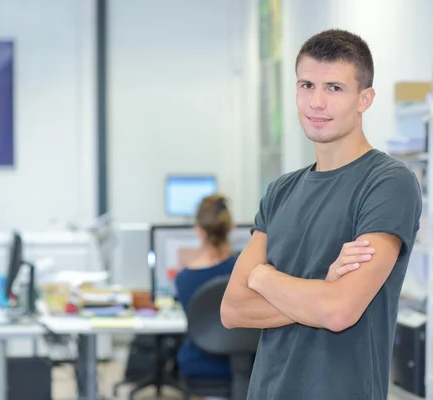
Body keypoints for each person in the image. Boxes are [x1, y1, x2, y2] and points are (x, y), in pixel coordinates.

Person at [220, 29, 422, 400]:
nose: (316, 102)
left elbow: (338, 312)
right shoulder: (281, 191)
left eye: (334, 88)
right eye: (306, 85)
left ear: (365, 98)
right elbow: (233, 309)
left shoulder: (389, 183)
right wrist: (322, 291)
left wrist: (264, 278)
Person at [175, 194, 238, 381]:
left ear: (199, 231)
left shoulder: (183, 278)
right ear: (230, 229)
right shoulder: (246, 270)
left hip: (199, 363)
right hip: (242, 362)